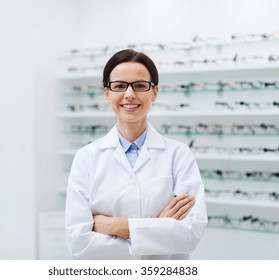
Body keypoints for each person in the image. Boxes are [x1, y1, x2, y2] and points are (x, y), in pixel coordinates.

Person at [65, 49, 207, 260]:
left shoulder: (178, 155)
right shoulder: (86, 157)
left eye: (140, 86)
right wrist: (158, 229)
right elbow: (79, 243)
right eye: (120, 86)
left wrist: (116, 226)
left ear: (154, 92)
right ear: (107, 93)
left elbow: (190, 234)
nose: (129, 94)